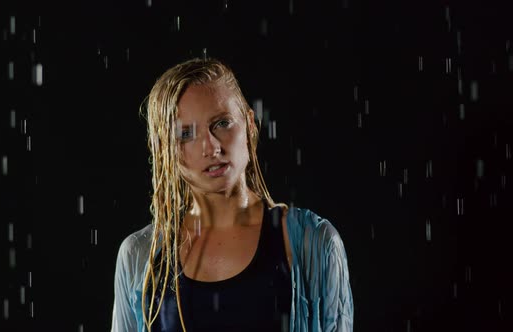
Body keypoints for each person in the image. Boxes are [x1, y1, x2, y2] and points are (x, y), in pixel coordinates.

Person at [111, 57, 354, 332]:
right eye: (186, 134)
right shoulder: (140, 256)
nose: (210, 147)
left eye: (222, 123)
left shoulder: (314, 243)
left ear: (250, 123)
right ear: (163, 147)